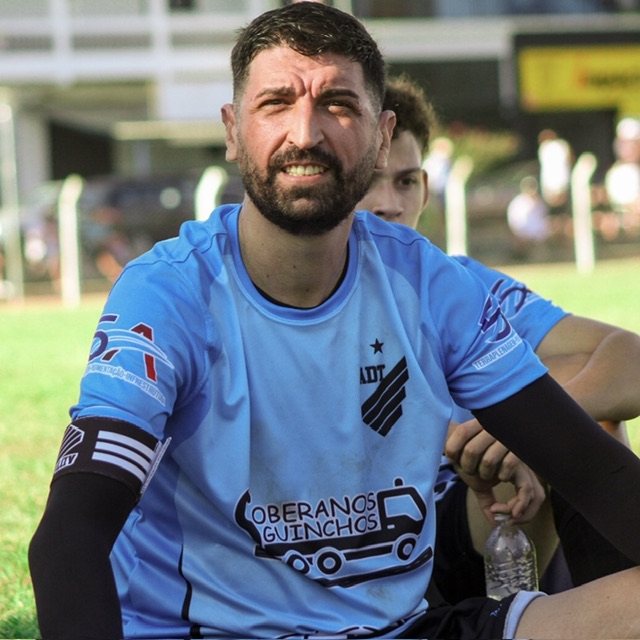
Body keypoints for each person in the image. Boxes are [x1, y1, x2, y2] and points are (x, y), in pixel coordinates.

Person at [29, 3, 640, 639]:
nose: (305, 133)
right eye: (276, 103)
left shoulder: (430, 283)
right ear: (233, 130)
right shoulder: (171, 292)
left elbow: (596, 472)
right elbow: (70, 537)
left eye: (338, 104)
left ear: (382, 134)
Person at [357, 74, 640, 602]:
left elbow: (630, 359)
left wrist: (526, 428)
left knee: (585, 415)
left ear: (426, 189)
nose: (388, 204)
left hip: (483, 515)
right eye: (370, 181)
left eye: (405, 181)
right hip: (367, 530)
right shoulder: (311, 294)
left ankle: (617, 614)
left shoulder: (460, 281)